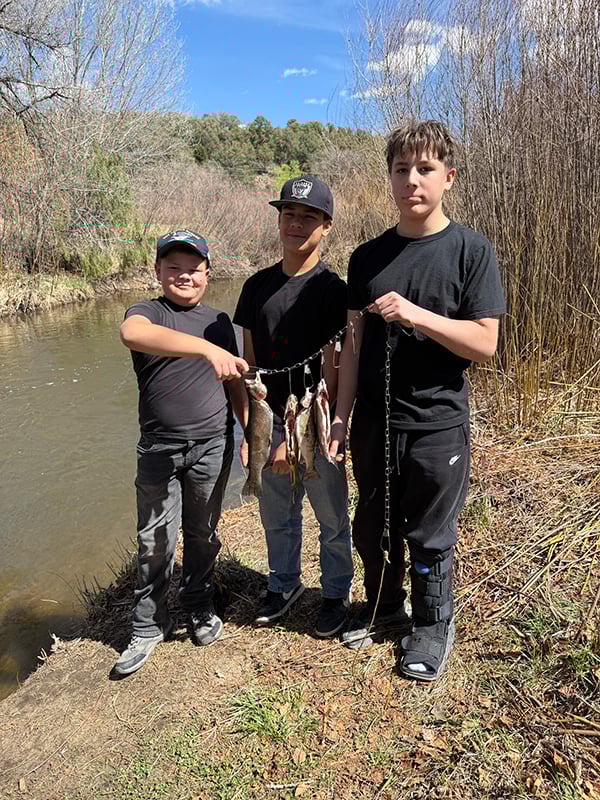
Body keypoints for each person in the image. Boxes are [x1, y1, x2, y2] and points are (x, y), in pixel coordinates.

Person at [329, 121, 505, 680]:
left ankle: (432, 625)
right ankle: (384, 607)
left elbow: (485, 344)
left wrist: (417, 316)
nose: (412, 181)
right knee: (374, 524)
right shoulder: (366, 258)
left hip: (435, 423)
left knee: (429, 531)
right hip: (373, 424)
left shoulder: (471, 251)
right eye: (401, 170)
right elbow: (353, 347)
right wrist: (339, 415)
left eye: (425, 169)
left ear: (448, 177)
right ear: (389, 179)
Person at [114, 230, 248, 676]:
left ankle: (198, 602)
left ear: (208, 275)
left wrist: (248, 433)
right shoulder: (148, 312)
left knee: (203, 533)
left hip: (213, 445)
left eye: (194, 268)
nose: (184, 275)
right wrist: (206, 349)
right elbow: (130, 334)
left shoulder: (218, 322)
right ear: (157, 272)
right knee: (155, 540)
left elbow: (234, 385)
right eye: (173, 267)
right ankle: (148, 624)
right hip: (159, 449)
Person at [234, 176, 353, 638]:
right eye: (288, 215)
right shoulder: (255, 286)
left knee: (330, 515)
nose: (296, 224)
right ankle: (283, 585)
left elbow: (334, 366)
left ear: (326, 227)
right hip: (268, 416)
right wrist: (255, 433)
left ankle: (335, 593)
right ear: (278, 221)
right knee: (276, 514)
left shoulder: (332, 290)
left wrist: (314, 430)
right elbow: (249, 365)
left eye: (308, 217)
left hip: (314, 420)